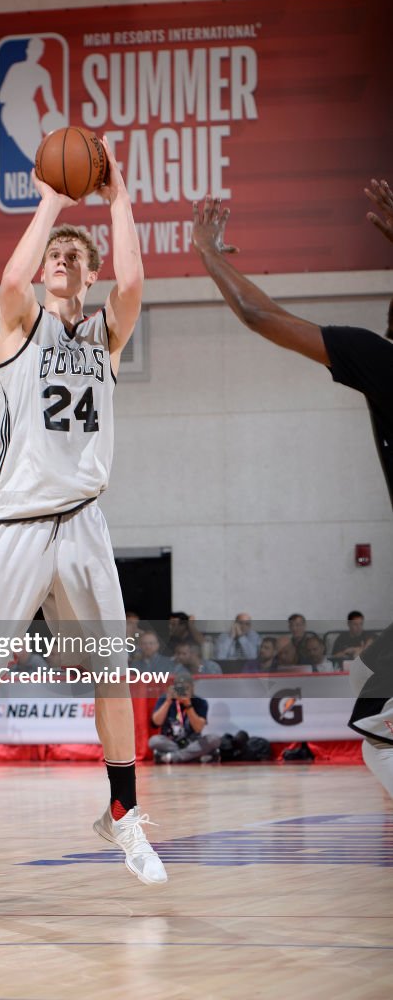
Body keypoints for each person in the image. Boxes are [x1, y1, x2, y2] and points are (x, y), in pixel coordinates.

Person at [0, 140, 167, 895]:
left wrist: (118, 193)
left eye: (75, 254)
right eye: (54, 253)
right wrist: (54, 203)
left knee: (110, 678)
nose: (63, 257)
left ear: (89, 273)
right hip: (14, 527)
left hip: (84, 524)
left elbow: (133, 278)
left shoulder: (106, 333)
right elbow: (9, 276)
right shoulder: (19, 324)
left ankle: (122, 812)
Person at [192, 179, 393, 796]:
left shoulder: (380, 361)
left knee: (376, 722)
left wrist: (206, 251)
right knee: (373, 696)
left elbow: (259, 315)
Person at [148, 675, 221, 764]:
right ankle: (196, 757)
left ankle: (171, 757)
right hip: (171, 742)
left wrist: (188, 705)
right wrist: (168, 702)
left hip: (193, 742)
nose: (182, 691)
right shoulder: (165, 699)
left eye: (186, 688)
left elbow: (198, 728)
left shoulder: (200, 702)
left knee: (214, 739)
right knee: (154, 741)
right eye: (179, 688)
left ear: (192, 688)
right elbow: (156, 722)